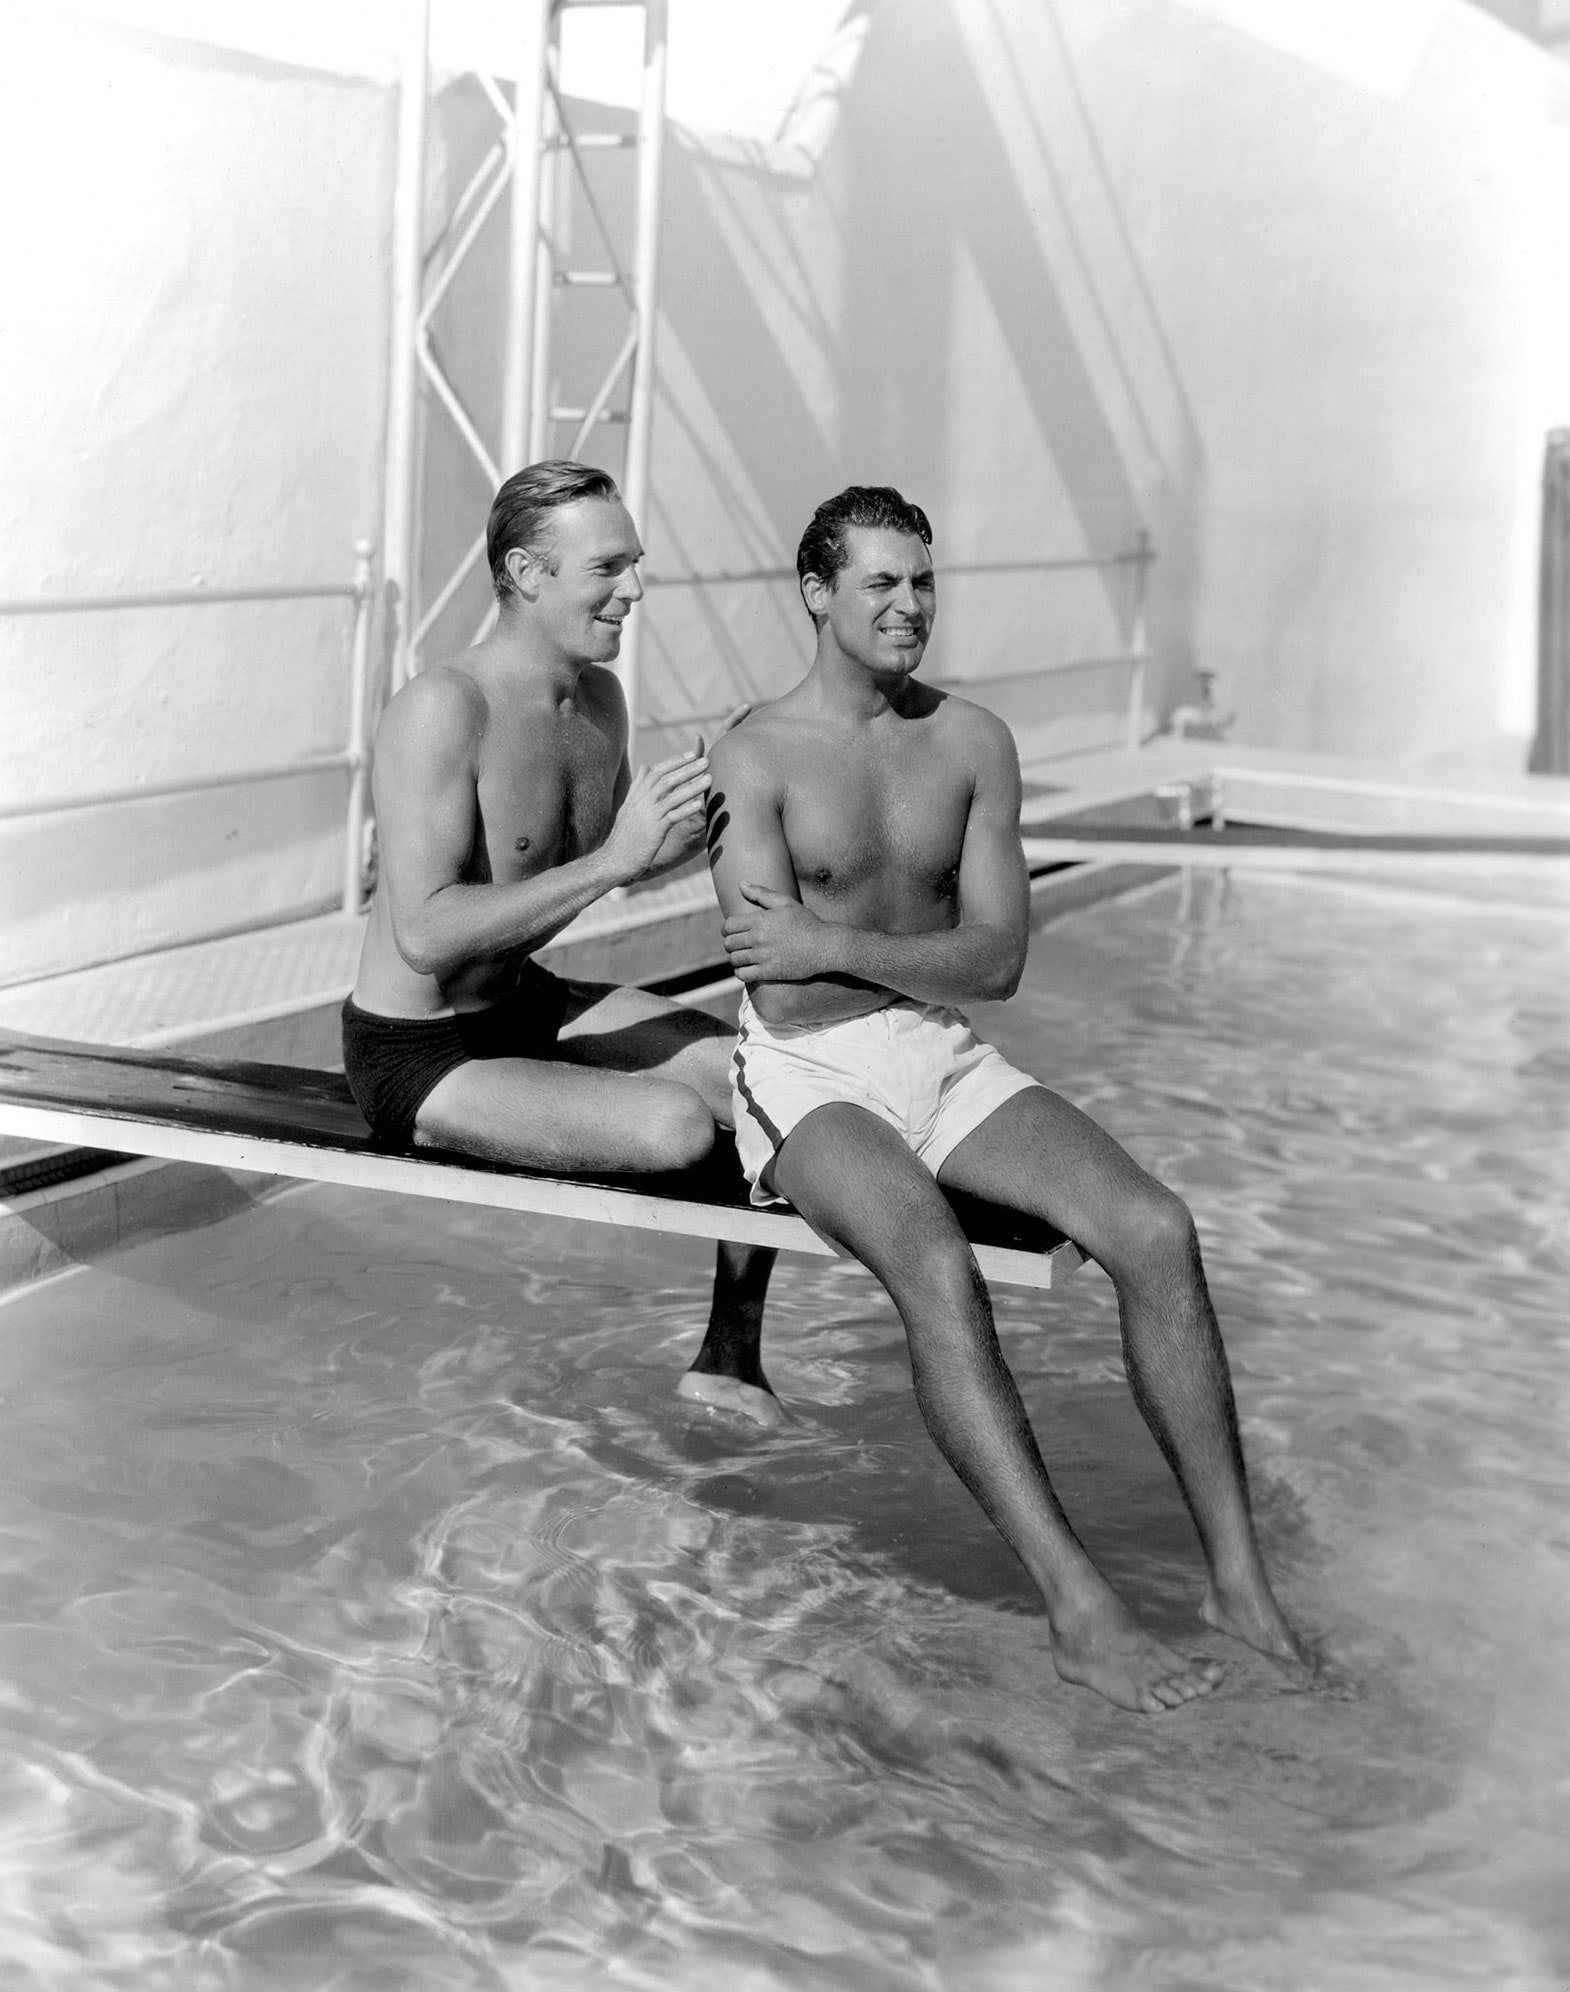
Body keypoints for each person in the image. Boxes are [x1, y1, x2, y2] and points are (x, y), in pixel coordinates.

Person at [705, 484, 1315, 1714]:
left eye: (923, 581)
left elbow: (1000, 961)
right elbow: (784, 983)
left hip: (940, 1049)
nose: (909, 605)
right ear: (817, 593)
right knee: (937, 1268)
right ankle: (1078, 1606)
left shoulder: (972, 742)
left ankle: (1237, 1583)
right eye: (880, 582)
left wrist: (835, 937)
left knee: (1156, 1229)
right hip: (808, 1074)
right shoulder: (754, 754)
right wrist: (838, 951)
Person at [344, 460, 778, 1423]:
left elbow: (621, 857)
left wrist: (721, 798)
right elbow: (423, 932)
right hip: (419, 1052)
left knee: (760, 1077)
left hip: (523, 1001)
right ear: (527, 573)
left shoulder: (599, 705)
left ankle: (730, 1359)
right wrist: (617, 860)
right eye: (608, 568)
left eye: (636, 565)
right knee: (674, 1126)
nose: (632, 591)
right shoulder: (441, 709)